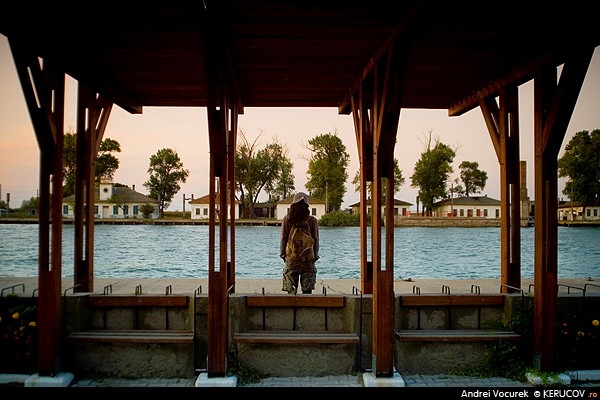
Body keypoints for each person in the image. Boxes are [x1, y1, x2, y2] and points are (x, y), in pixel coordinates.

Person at [280, 192, 319, 294]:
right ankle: (306, 309)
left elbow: (284, 238)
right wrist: (314, 257)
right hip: (307, 261)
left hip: (292, 261)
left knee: (291, 293)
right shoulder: (312, 220)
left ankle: (292, 309)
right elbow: (315, 239)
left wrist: (283, 255)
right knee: (307, 293)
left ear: (293, 205)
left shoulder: (287, 219)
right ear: (307, 206)